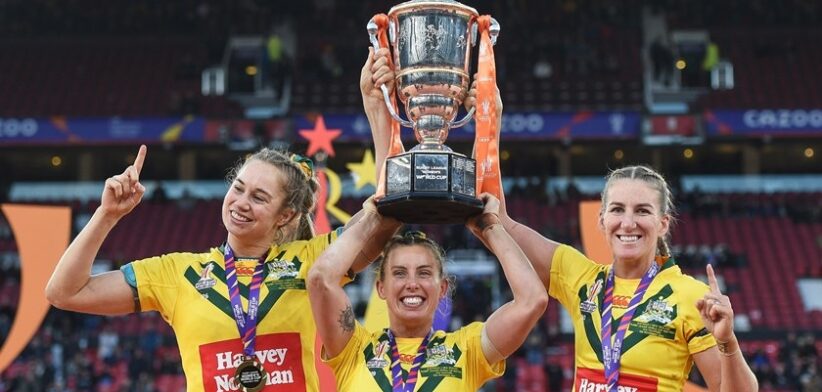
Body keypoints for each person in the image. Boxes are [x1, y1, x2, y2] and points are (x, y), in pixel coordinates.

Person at [367, 73, 759, 389]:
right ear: (601, 220)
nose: (628, 222)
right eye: (617, 210)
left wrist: (727, 342)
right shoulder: (581, 278)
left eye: (643, 211)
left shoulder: (690, 296)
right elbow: (498, 221)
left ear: (663, 223)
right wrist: (490, 121)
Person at [307, 193, 548, 390]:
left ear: (442, 288)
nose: (412, 283)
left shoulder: (466, 350)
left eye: (423, 273)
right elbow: (320, 279)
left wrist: (491, 228)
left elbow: (531, 300)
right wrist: (371, 221)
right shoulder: (354, 349)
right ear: (381, 287)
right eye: (400, 273)